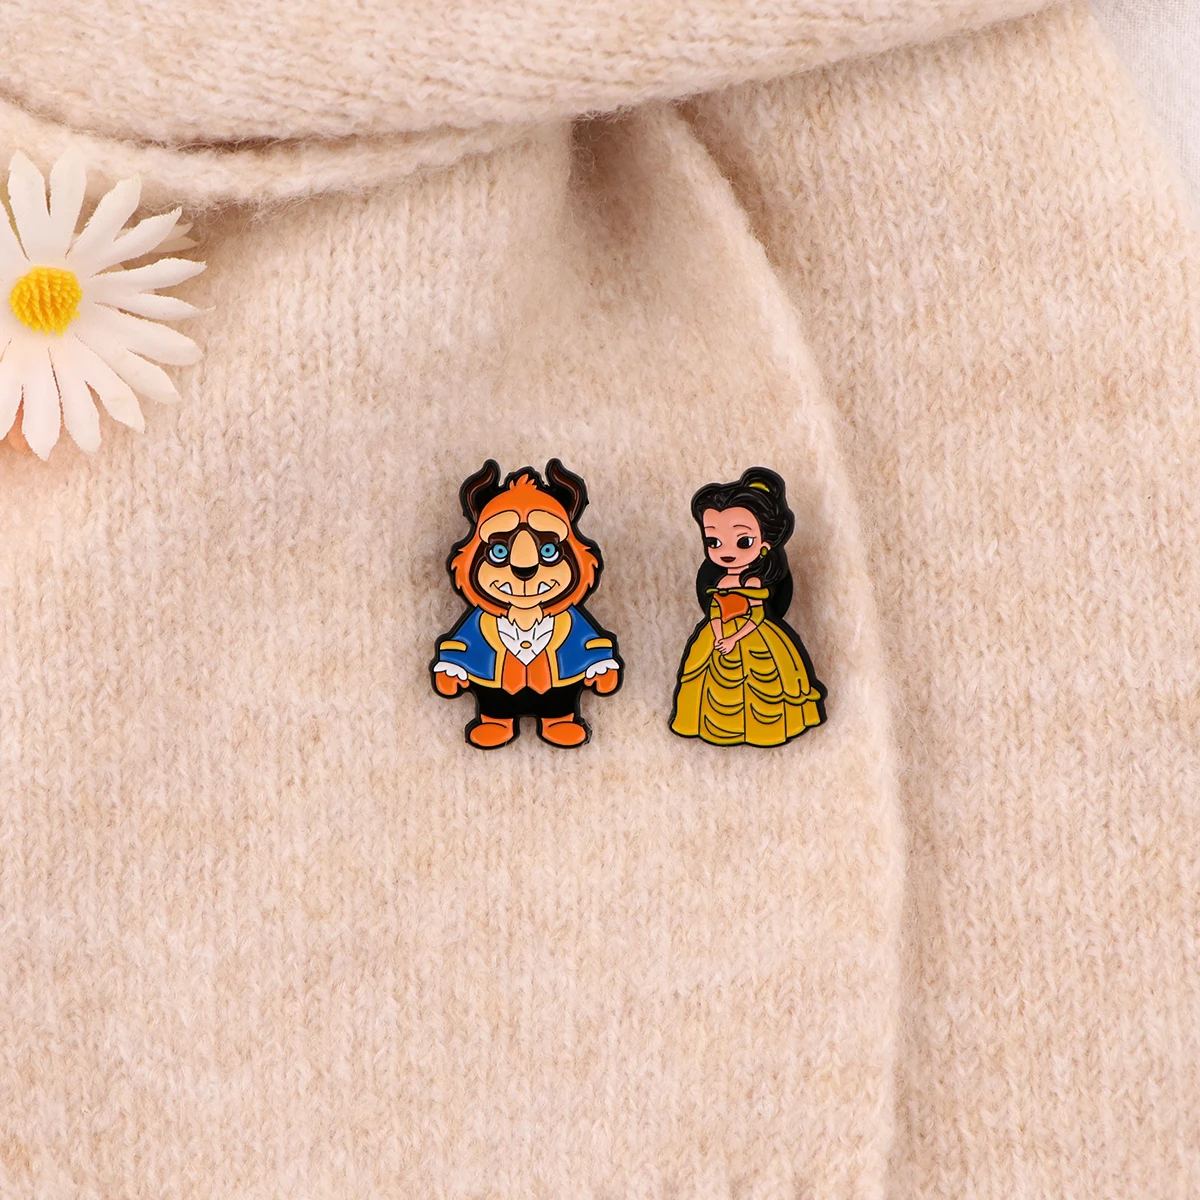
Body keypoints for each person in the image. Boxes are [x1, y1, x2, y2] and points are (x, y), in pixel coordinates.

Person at [670, 467, 825, 746]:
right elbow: (715, 611)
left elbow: (757, 615)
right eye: (714, 541)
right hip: (716, 636)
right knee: (704, 678)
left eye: (743, 541)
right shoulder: (720, 581)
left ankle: (761, 730)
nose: (726, 551)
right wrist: (719, 635)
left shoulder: (753, 582)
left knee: (764, 684)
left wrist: (733, 639)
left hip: (753, 636)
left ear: (765, 542)